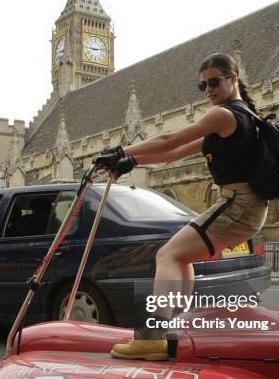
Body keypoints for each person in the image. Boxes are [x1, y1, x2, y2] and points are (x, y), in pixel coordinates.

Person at [93, 52, 269, 360]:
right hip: (240, 204)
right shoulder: (237, 119)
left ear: (233, 79)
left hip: (238, 204)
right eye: (203, 86)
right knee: (180, 256)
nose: (209, 90)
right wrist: (129, 161)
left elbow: (169, 140)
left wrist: (118, 150)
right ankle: (175, 329)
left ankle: (153, 337)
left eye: (214, 82)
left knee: (168, 254)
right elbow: (173, 155)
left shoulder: (225, 115)